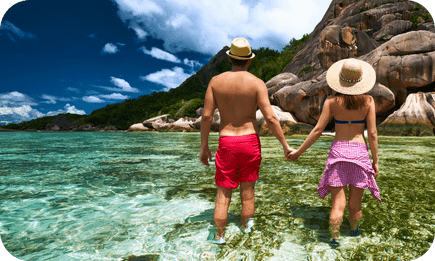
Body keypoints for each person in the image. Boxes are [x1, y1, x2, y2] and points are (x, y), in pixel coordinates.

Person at [199, 37, 293, 244]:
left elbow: (206, 117)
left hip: (226, 142)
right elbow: (270, 117)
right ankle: (247, 229)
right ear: (249, 61)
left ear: (230, 59)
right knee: (248, 193)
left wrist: (204, 146)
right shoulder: (257, 83)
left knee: (223, 195)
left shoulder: (215, 82)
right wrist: (285, 146)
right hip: (250, 141)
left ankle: (219, 235)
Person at [287, 58, 381, 246]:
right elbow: (372, 133)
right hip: (359, 155)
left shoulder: (331, 101)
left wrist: (298, 151)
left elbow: (317, 130)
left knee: (338, 205)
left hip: (338, 154)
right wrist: (375, 160)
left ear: (340, 80)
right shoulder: (369, 101)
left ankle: (334, 238)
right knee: (355, 205)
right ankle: (354, 232)